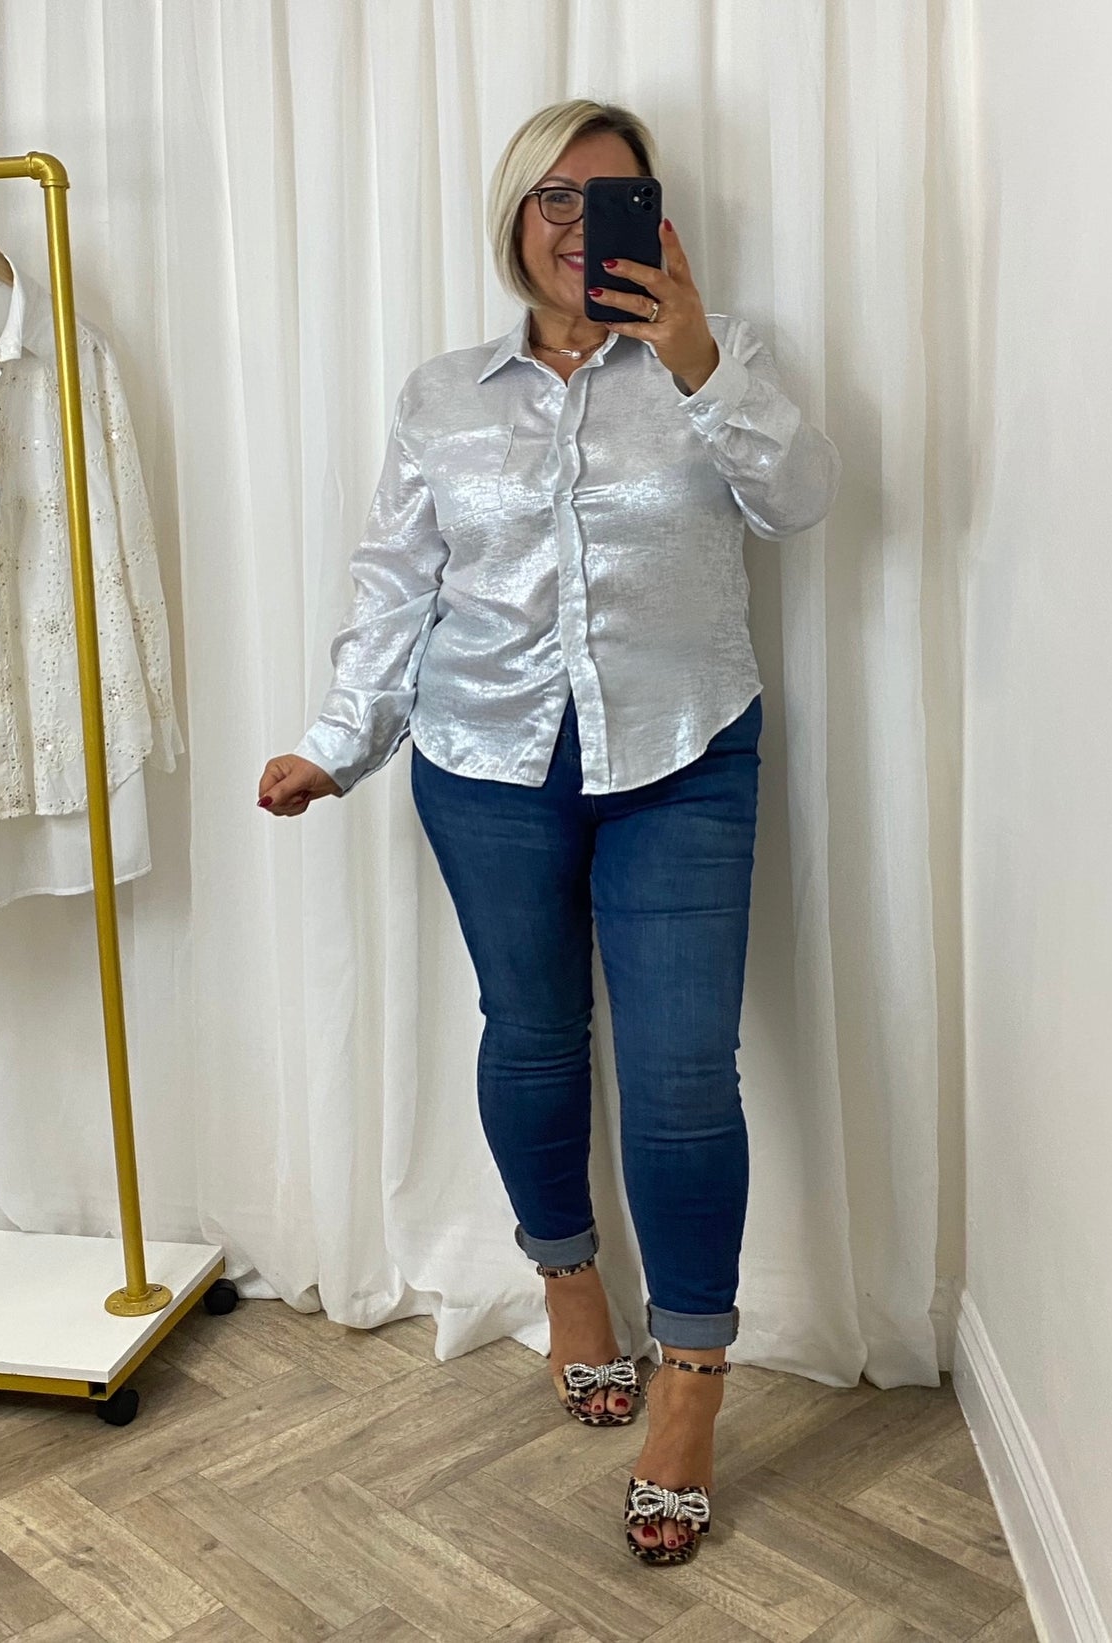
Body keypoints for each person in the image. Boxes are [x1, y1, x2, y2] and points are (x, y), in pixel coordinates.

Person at [256, 98, 840, 1566]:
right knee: (528, 1034)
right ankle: (567, 1283)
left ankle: (691, 1379)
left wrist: (699, 361)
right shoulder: (441, 396)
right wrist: (337, 743)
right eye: (555, 200)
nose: (583, 227)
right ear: (514, 218)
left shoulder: (723, 355)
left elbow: (802, 501)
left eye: (613, 197)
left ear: (659, 215)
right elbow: (396, 588)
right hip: (483, 762)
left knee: (683, 1076)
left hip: (683, 755)